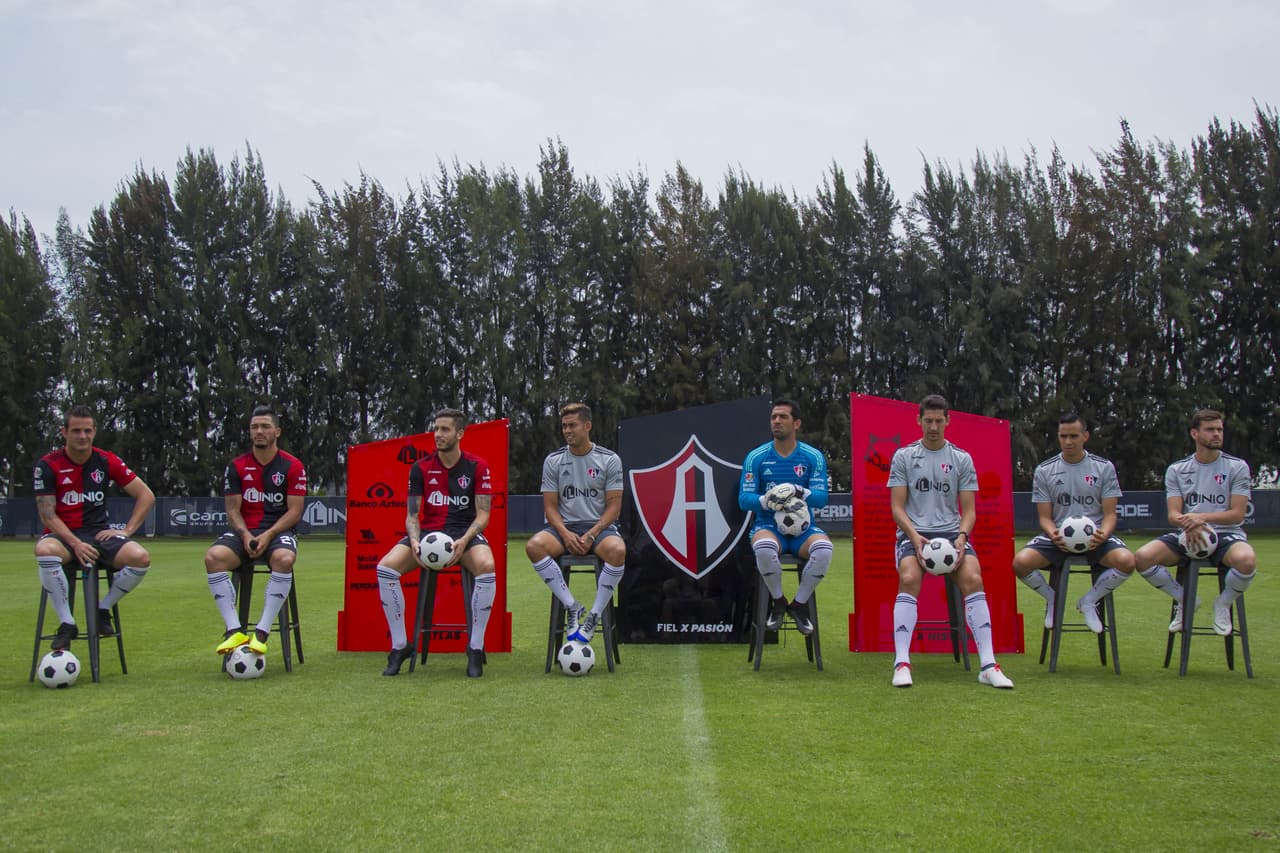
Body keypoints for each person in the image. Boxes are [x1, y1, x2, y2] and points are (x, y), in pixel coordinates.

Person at [887, 394, 1013, 689]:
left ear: (947, 421)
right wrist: (915, 537)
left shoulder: (961, 458)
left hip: (952, 535)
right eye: (927, 420)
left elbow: (969, 511)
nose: (933, 426)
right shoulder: (904, 456)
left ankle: (988, 665)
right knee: (908, 577)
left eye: (938, 421)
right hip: (914, 534)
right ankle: (902, 663)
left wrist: (961, 537)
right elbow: (896, 508)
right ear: (918, 421)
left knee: (973, 577)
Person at [377, 408, 497, 678]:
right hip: (428, 534)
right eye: (436, 429)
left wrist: (464, 541)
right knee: (385, 568)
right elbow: (411, 515)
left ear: (460, 433)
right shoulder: (420, 468)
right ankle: (400, 645)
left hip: (463, 533)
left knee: (487, 567)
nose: (438, 435)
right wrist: (416, 541)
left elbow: (484, 515)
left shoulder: (477, 466)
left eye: (445, 429)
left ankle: (475, 647)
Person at [33, 405, 155, 650]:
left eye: (87, 431)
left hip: (99, 533)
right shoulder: (48, 465)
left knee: (140, 557)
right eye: (76, 431)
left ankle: (103, 609)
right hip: (63, 536)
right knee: (45, 550)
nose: (82, 436)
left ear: (94, 431)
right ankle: (67, 623)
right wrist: (76, 544)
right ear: (64, 432)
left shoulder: (106, 460)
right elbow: (47, 515)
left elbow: (146, 495)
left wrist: (127, 531)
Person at [1132, 409, 1257, 635]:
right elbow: (1173, 515)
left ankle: (1223, 603)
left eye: (1219, 429)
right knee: (1142, 558)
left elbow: (1237, 514)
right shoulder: (1177, 470)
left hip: (1227, 534)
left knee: (1246, 561)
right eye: (1210, 430)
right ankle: (1186, 600)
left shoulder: (1237, 467)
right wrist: (1189, 524)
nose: (1217, 434)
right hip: (1187, 534)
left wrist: (1200, 518)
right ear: (1194, 433)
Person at [1012, 413, 1137, 633]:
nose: (1068, 441)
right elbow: (1044, 518)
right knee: (1020, 563)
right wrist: (1054, 534)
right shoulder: (1045, 470)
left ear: (1085, 436)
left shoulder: (1103, 467)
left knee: (1127, 561)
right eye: (1063, 436)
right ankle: (1053, 598)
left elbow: (1110, 515)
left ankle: (1090, 601)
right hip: (1058, 539)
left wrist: (1103, 534)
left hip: (1096, 538)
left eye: (1073, 436)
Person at [204, 406, 308, 657]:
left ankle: (261, 632)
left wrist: (268, 535)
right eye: (254, 427)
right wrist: (246, 536)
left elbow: (295, 512)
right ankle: (234, 630)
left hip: (277, 533)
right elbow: (232, 510)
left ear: (277, 431)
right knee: (213, 557)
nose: (259, 431)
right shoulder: (237, 466)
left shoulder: (292, 466)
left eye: (265, 426)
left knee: (284, 559)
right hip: (244, 534)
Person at [525, 402, 625, 647]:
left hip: (598, 527)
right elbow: (550, 506)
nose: (567, 431)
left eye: (573, 425)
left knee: (618, 551)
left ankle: (594, 615)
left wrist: (592, 533)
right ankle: (572, 607)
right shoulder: (554, 460)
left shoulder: (609, 459)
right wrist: (565, 534)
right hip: (564, 527)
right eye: (564, 426)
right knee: (534, 546)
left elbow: (614, 507)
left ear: (587, 426)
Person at [737, 398, 834, 637]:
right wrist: (768, 499)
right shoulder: (756, 457)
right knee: (763, 547)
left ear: (797, 423)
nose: (777, 421)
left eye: (783, 417)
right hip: (768, 525)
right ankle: (778, 602)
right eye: (773, 417)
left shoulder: (813, 457)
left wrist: (797, 490)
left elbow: (821, 499)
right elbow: (743, 500)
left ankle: (798, 606)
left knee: (824, 549)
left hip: (803, 529)